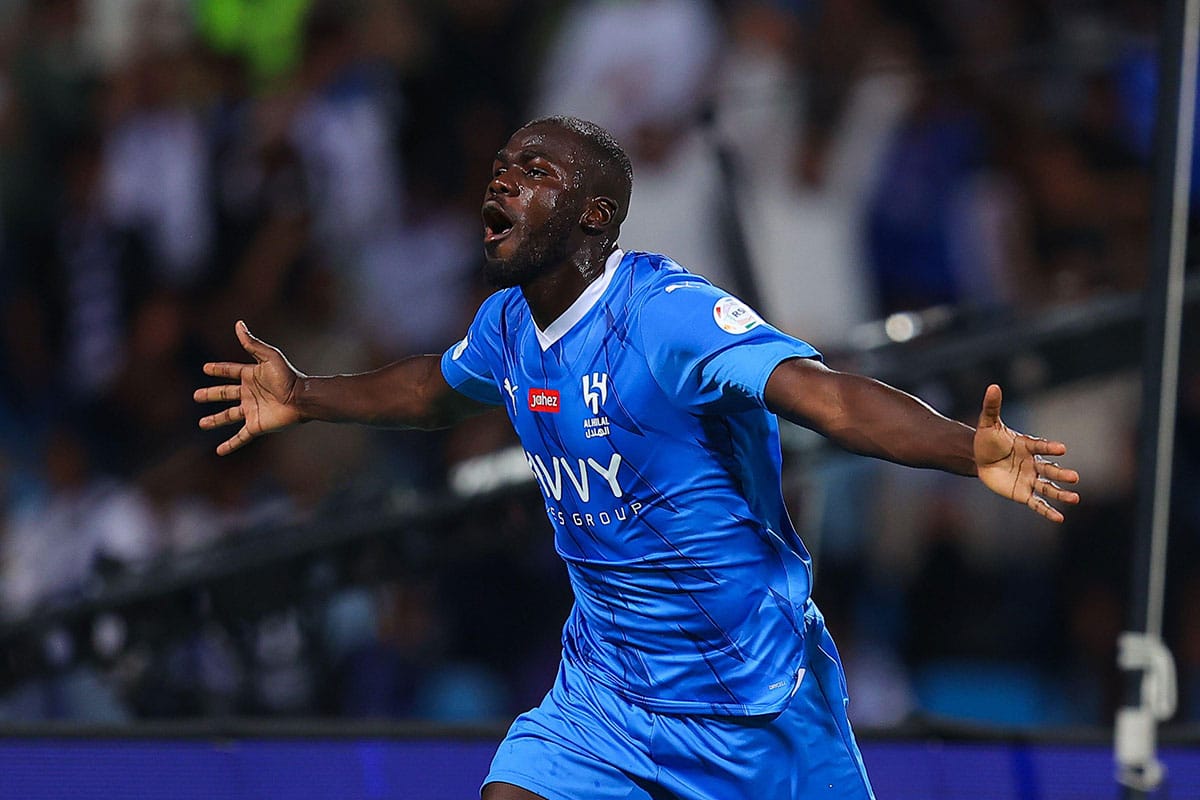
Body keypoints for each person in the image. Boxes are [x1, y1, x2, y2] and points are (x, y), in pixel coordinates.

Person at [195, 116, 1080, 800]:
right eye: (503, 165)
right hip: (606, 691)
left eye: (535, 171)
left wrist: (967, 450)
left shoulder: (667, 317)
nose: (503, 179)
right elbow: (434, 390)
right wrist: (305, 394)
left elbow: (831, 398)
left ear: (594, 214)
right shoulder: (506, 325)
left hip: (752, 694)